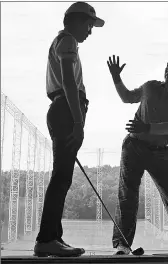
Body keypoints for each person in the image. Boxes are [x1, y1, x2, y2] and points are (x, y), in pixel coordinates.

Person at [107, 54, 168, 255]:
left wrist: (147, 127)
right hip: (133, 146)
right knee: (128, 196)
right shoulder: (150, 86)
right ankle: (122, 245)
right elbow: (127, 97)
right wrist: (116, 78)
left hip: (159, 153)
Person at [34, 2, 104, 257]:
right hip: (66, 111)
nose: (90, 31)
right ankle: (47, 239)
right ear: (76, 20)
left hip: (64, 110)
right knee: (61, 178)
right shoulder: (68, 41)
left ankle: (53, 238)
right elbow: (68, 82)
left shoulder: (64, 41)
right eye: (89, 25)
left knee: (62, 178)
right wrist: (77, 121)